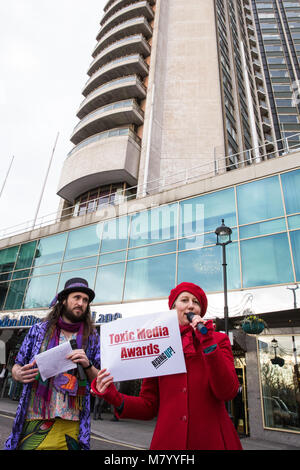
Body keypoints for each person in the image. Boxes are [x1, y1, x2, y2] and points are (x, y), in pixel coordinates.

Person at [91, 282, 243, 450]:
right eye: (184, 300)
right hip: (169, 443)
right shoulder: (159, 345)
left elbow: (227, 391)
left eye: (196, 302)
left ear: (201, 311)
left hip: (213, 441)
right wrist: (113, 396)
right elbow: (149, 406)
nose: (191, 305)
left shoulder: (218, 340)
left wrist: (208, 342)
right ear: (173, 308)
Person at [4, 277, 100, 451]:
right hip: (35, 418)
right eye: (77, 297)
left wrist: (88, 365)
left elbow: (99, 378)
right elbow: (17, 364)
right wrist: (18, 373)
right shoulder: (38, 330)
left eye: (85, 300)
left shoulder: (92, 337)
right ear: (63, 300)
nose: (81, 303)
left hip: (72, 422)